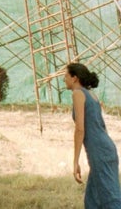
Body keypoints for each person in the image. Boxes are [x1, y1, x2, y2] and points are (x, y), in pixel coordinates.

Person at [65, 63, 121, 208]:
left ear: (74, 78)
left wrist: (75, 161)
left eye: (66, 76)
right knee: (92, 201)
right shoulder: (92, 94)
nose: (64, 79)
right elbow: (102, 126)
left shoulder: (78, 93)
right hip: (106, 148)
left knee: (111, 199)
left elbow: (80, 129)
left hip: (100, 152)